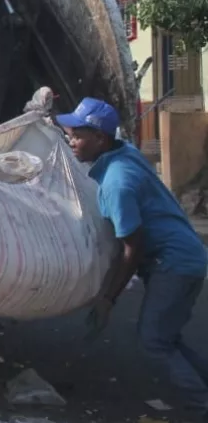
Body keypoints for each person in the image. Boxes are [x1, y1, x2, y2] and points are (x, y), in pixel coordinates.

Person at [56, 98, 208, 418]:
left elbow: (132, 248)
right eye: (69, 134)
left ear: (100, 139)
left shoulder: (117, 183)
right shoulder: (124, 152)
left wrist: (108, 298)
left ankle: (200, 407)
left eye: (77, 136)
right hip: (185, 253)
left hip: (174, 262)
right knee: (168, 337)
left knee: (154, 342)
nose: (70, 141)